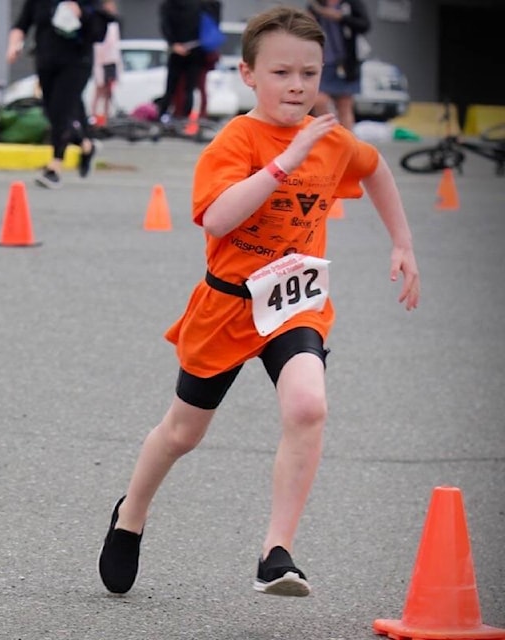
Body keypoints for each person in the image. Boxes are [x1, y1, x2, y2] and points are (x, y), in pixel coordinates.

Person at [97, 5, 419, 598]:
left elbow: (374, 170)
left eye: (309, 73)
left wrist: (402, 242)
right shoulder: (237, 140)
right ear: (248, 74)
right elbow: (218, 217)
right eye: (280, 73)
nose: (296, 86)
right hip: (226, 304)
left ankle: (276, 552)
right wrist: (283, 164)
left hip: (295, 303)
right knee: (182, 433)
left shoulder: (331, 138)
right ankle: (130, 513)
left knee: (307, 406)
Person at [7, 0, 104, 189]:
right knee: (52, 110)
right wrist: (13, 45)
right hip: (46, 61)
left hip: (77, 62)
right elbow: (22, 24)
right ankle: (86, 145)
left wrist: (82, 13)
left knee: (62, 110)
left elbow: (100, 26)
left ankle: (55, 167)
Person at [308, 0, 370, 131]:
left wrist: (341, 17)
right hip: (323, 61)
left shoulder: (351, 4)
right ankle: (330, 134)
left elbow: (365, 25)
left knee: (345, 104)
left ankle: (347, 142)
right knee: (319, 100)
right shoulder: (316, 6)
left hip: (346, 62)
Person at [157, 0, 205, 122]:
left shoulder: (168, 6)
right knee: (189, 87)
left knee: (171, 86)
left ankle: (163, 115)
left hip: (177, 49)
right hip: (194, 48)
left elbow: (165, 26)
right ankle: (186, 117)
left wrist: (173, 43)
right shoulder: (198, 5)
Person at [91, 1, 122, 127]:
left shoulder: (115, 24)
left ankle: (106, 115)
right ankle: (94, 116)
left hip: (112, 60)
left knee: (109, 91)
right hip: (102, 61)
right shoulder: (100, 22)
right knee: (99, 90)